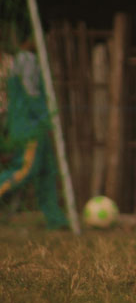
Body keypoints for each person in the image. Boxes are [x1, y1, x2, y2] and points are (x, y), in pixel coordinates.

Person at [0, 38, 69, 230]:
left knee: (47, 173)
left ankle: (55, 220)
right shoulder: (26, 59)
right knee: (24, 170)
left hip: (37, 125)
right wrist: (45, 115)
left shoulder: (28, 59)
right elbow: (31, 93)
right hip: (29, 126)